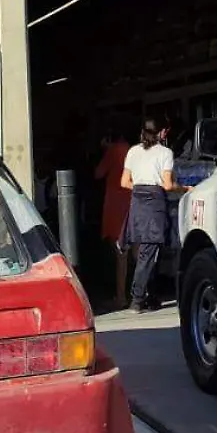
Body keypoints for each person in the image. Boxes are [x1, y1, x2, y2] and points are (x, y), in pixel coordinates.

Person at [120, 119, 184, 313]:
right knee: (149, 251)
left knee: (147, 250)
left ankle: (152, 296)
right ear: (163, 133)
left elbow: (124, 182)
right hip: (155, 202)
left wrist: (141, 187)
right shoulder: (165, 153)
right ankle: (137, 298)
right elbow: (167, 185)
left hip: (137, 201)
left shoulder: (133, 151)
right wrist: (186, 188)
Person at [92, 130, 132, 307]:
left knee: (120, 252)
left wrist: (104, 150)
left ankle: (121, 295)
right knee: (137, 252)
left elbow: (98, 173)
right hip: (133, 201)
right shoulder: (134, 150)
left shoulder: (113, 150)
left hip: (116, 205)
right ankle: (139, 292)